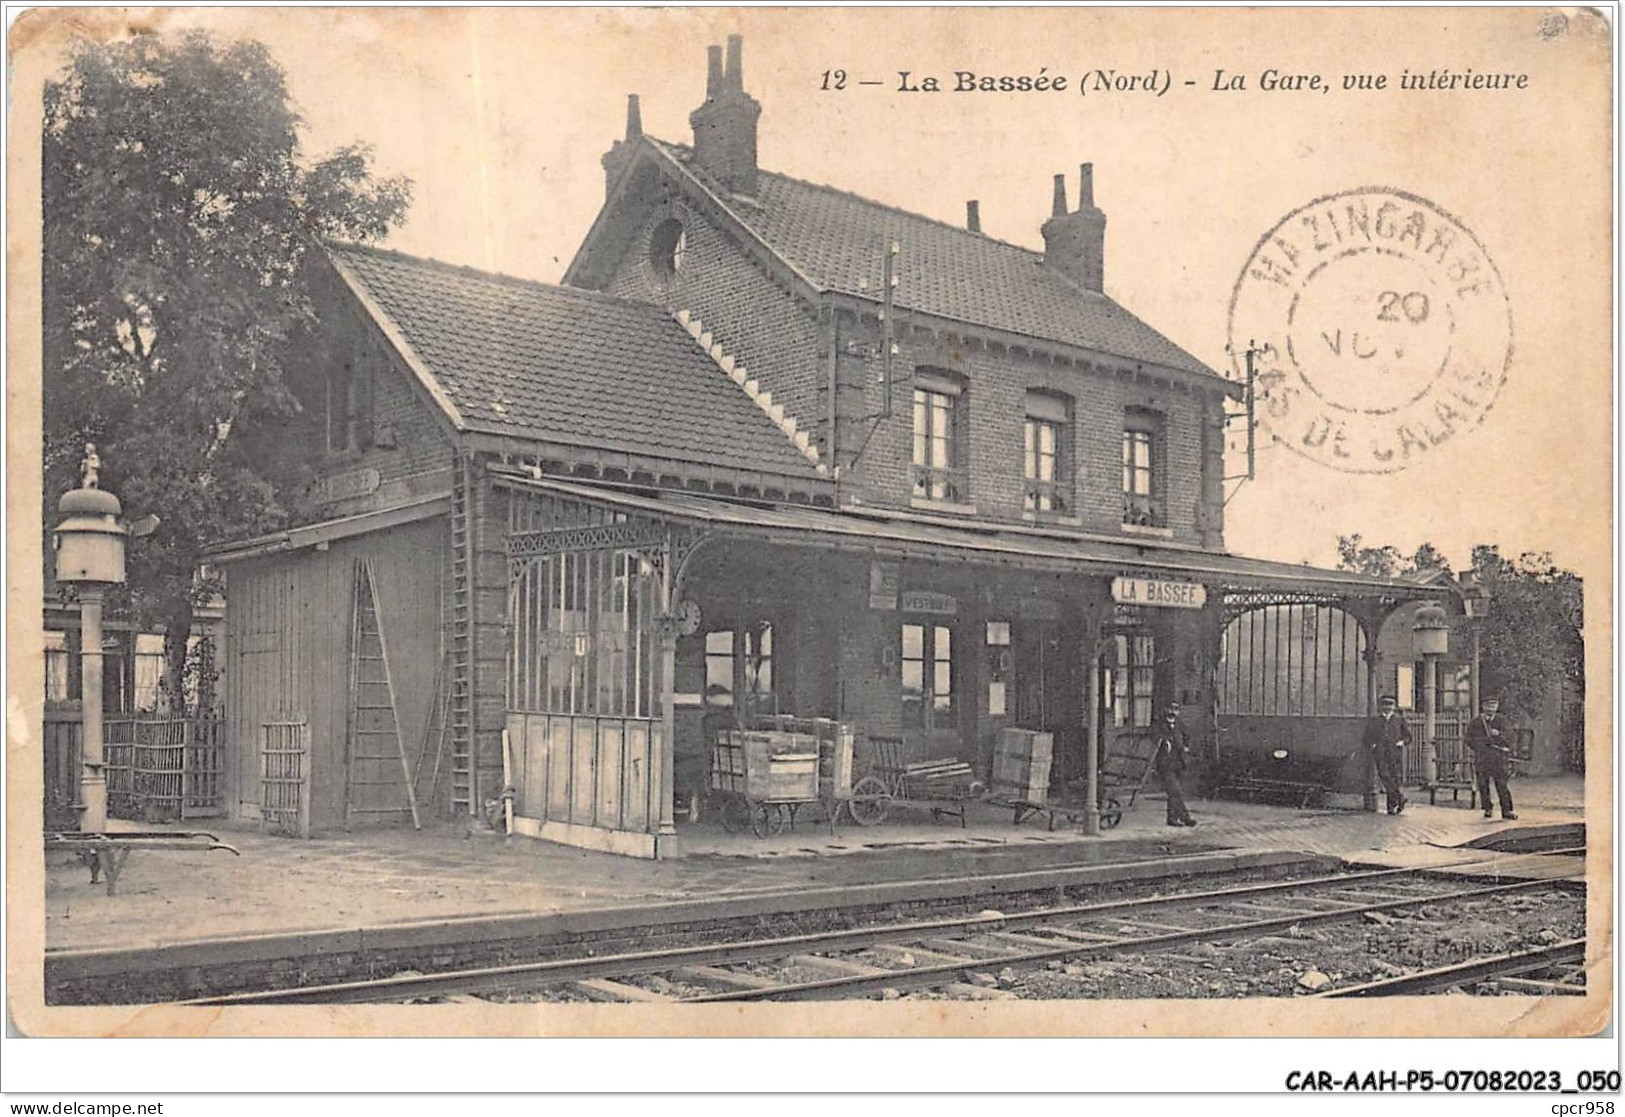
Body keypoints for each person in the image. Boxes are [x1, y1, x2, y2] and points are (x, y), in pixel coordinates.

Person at [1465, 696, 1518, 820]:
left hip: (1499, 759)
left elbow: (1511, 737)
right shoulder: (1476, 722)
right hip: (1483, 758)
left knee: (1502, 785)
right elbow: (1468, 739)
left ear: (1497, 706)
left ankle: (1507, 810)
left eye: (1494, 705)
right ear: (1483, 706)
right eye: (1488, 705)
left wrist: (1499, 735)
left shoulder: (1502, 721)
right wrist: (1481, 746)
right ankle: (1487, 808)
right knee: (1483, 785)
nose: (1491, 707)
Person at [1362, 695, 1411, 814]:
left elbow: (1408, 736)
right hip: (1380, 753)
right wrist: (1373, 745)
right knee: (1385, 776)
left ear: (1394, 706)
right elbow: (1366, 737)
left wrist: (1402, 742)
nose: (1387, 707)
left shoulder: (1399, 720)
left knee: (1394, 778)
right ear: (1381, 706)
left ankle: (1392, 807)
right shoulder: (1375, 720)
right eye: (1385, 704)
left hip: (1394, 753)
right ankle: (1400, 798)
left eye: (1390, 705)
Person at [1154, 702, 1197, 828]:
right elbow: (1154, 736)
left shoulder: (1179, 723)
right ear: (1166, 709)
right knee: (1175, 791)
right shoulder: (1159, 724)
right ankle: (1186, 818)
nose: (1173, 712)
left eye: (1176, 709)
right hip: (1165, 764)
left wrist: (1186, 747)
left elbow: (1187, 735)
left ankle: (1172, 818)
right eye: (1171, 709)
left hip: (1179, 762)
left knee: (1173, 793)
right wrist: (1164, 741)